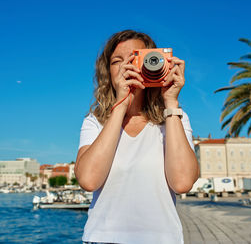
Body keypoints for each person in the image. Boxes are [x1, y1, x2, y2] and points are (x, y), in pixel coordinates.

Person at [75, 30, 199, 244]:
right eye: (117, 61)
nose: (127, 66)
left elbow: (182, 183)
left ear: (155, 62)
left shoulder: (174, 118)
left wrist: (170, 103)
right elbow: (88, 180)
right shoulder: (95, 122)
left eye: (135, 58)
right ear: (108, 72)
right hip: (102, 239)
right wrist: (120, 107)